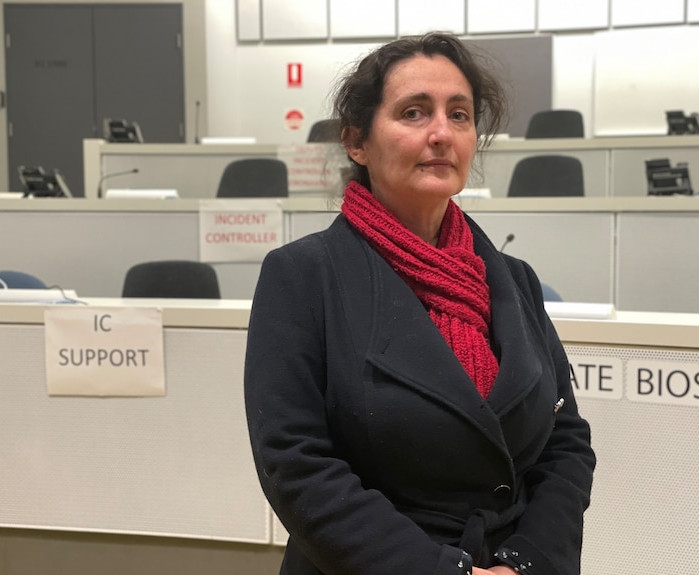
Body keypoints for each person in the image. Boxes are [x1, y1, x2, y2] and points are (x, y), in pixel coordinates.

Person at [244, 32, 596, 575]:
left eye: (459, 114)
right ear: (357, 142)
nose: (441, 133)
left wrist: (526, 562)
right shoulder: (303, 277)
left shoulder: (515, 281)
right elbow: (295, 463)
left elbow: (565, 441)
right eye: (414, 113)